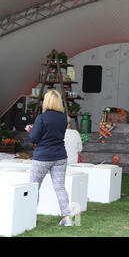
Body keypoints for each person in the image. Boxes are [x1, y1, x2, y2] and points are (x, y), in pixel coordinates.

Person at [28, 89, 72, 226]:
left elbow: (33, 139)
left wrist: (31, 130)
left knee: (34, 187)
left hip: (42, 156)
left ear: (46, 101)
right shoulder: (64, 118)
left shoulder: (41, 118)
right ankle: (66, 218)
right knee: (60, 188)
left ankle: (28, 217)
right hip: (60, 156)